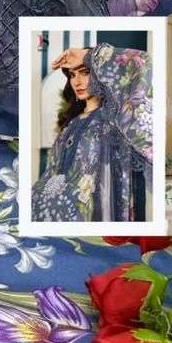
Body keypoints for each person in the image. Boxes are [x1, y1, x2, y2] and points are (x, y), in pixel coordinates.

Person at [32, 42, 153, 222]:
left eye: (85, 72)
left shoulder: (114, 119)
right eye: (72, 75)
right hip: (60, 212)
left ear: (99, 73)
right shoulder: (70, 124)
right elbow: (54, 174)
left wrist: (88, 56)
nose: (77, 82)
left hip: (99, 212)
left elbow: (144, 62)